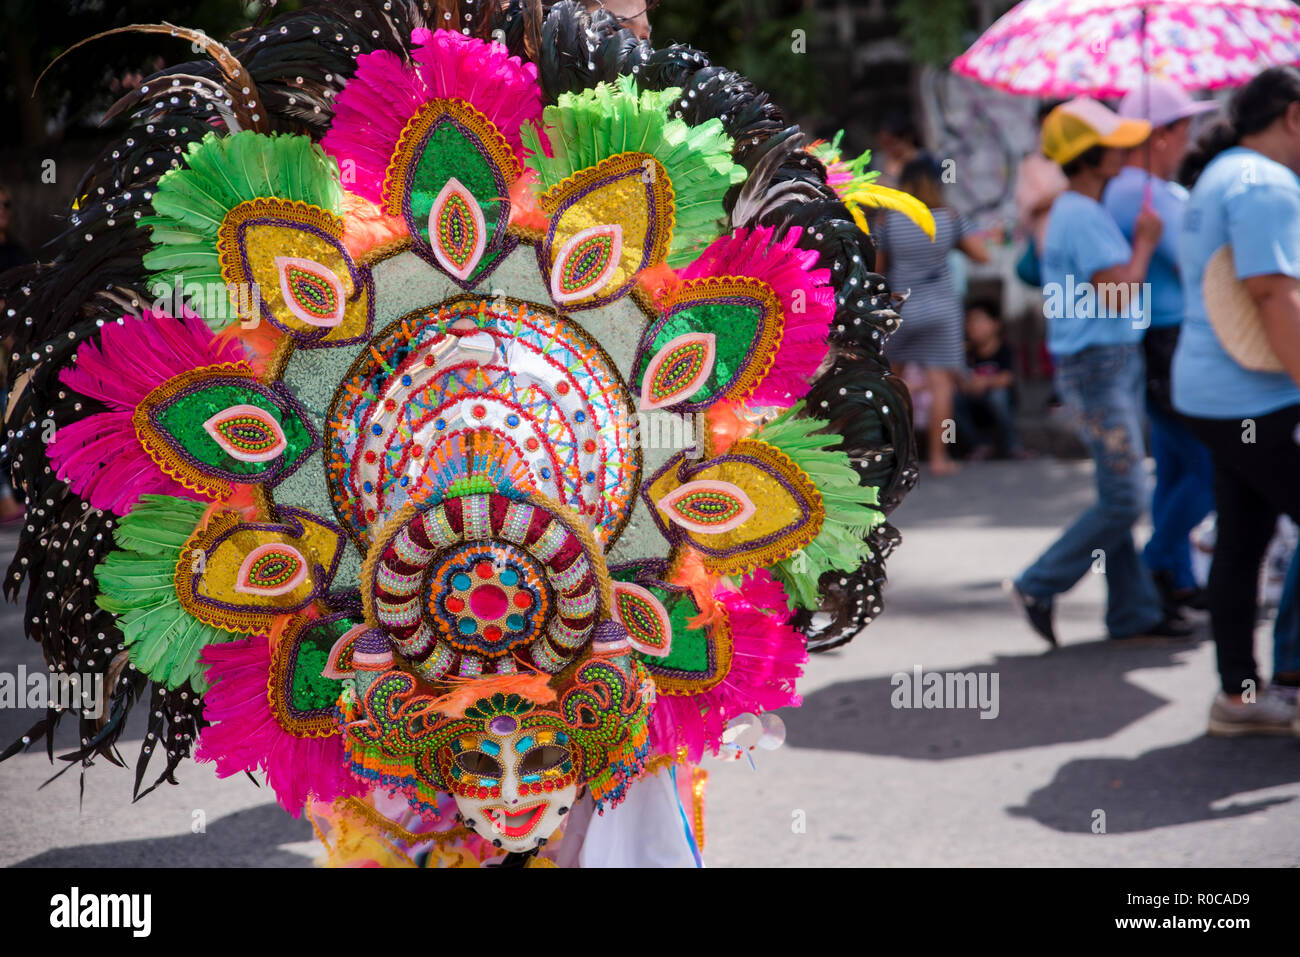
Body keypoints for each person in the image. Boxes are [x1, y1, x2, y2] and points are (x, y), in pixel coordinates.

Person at [1009, 98, 1190, 646]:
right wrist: (1146, 244)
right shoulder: (1083, 215)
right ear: (1090, 156)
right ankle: (1039, 582)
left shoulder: (1078, 209)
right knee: (1125, 498)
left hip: (1106, 365)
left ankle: (1132, 611)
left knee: (1119, 491)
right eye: (1114, 143)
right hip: (1101, 367)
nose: (1126, 149)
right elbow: (1119, 293)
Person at [1172, 66, 1300, 736]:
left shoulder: (1220, 172)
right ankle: (1274, 685)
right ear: (1294, 117)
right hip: (1255, 398)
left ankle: (1239, 695)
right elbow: (1272, 294)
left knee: (1243, 540)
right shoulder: (1266, 183)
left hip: (1213, 393)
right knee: (1244, 540)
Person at [1103, 79, 1217, 616]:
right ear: (1162, 135)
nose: (1191, 141)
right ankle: (1159, 563)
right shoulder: (1134, 191)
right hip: (1167, 343)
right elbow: (1197, 253)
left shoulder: (1155, 190)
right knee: (1211, 470)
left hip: (1173, 342)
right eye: (1185, 129)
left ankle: (1174, 579)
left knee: (1176, 466)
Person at [875, 157, 990, 475]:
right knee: (941, 384)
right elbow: (983, 256)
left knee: (894, 381)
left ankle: (895, 456)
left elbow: (878, 270)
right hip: (942, 307)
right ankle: (939, 458)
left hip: (902, 308)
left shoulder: (889, 221)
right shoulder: (950, 218)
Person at [955, 300, 1025, 459]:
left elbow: (1008, 378)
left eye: (979, 321)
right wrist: (967, 385)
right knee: (952, 400)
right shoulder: (965, 352)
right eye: (969, 322)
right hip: (973, 401)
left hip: (999, 401)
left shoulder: (1005, 349)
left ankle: (1013, 445)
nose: (973, 327)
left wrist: (985, 383)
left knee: (998, 396)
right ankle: (978, 444)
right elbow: (958, 378)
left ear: (995, 324)